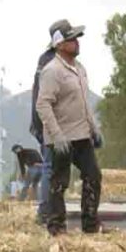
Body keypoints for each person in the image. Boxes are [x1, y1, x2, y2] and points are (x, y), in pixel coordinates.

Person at [36, 20, 103, 236]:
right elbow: (43, 104)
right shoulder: (52, 71)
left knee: (93, 176)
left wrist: (94, 128)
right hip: (62, 138)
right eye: (72, 39)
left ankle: (90, 225)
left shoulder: (80, 69)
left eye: (76, 38)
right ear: (60, 44)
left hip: (82, 135)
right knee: (59, 183)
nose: (77, 42)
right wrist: (57, 135)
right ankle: (56, 227)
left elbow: (83, 102)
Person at [30, 19, 69, 224]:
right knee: (50, 168)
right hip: (49, 123)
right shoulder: (51, 63)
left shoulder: (46, 60)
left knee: (53, 168)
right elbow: (46, 100)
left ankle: (49, 210)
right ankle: (45, 212)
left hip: (45, 122)